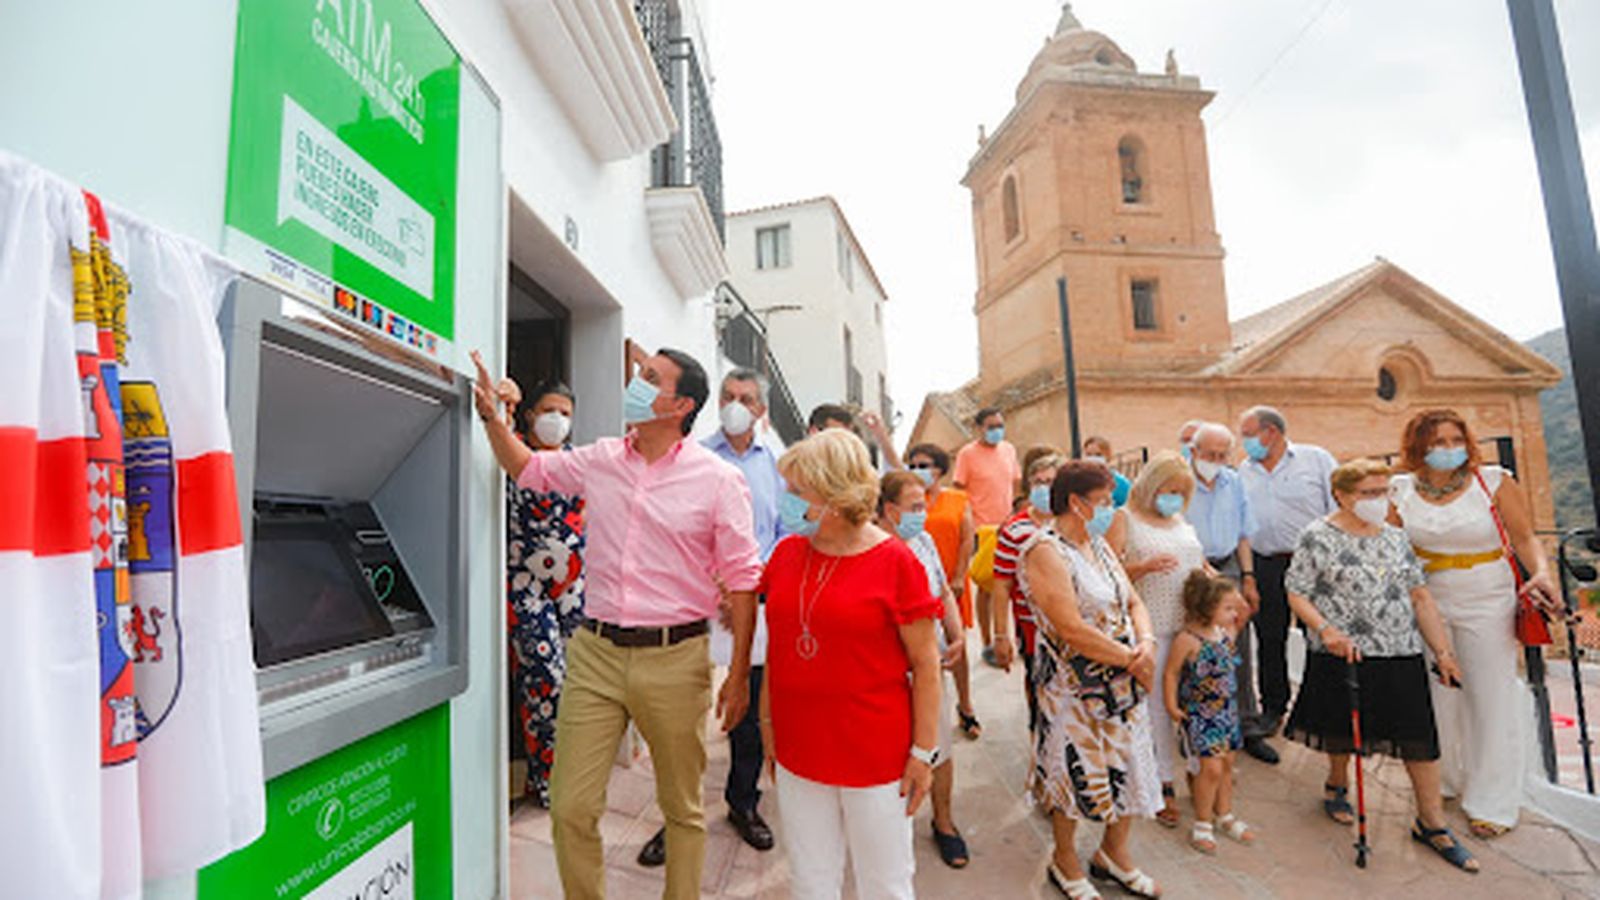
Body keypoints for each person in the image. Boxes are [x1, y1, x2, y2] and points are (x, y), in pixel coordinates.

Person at [473, 348, 763, 900]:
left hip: (676, 658)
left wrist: (740, 674)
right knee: (571, 808)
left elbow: (744, 581)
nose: (635, 381)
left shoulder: (718, 480)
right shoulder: (602, 458)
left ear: (679, 405)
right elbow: (528, 468)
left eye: (650, 378)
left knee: (682, 809)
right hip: (595, 653)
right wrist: (492, 416)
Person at [759, 429, 943, 900]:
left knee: (884, 885)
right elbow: (778, 649)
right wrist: (768, 730)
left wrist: (924, 753)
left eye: (798, 491)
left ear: (835, 494)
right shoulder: (785, 554)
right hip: (799, 750)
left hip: (876, 757)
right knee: (810, 880)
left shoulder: (896, 561)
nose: (788, 500)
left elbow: (926, 664)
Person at [1283, 459, 1477, 873]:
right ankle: (1337, 784)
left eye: (1384, 491)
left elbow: (1420, 596)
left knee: (1417, 736)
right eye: (1369, 493)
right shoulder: (1317, 536)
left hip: (1401, 649)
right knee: (1341, 729)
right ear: (1343, 495)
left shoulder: (1394, 537)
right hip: (1343, 649)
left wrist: (1442, 651)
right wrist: (1326, 630)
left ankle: (1431, 822)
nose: (1379, 500)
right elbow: (1296, 593)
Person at [1390, 409, 1561, 838]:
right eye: (1437, 442)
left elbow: (1524, 538)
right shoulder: (1400, 489)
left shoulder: (1494, 480)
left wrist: (1541, 572)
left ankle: (1492, 801)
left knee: (1489, 694)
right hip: (1427, 597)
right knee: (1438, 696)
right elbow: (1389, 549)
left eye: (1455, 440)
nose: (1449, 449)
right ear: (1418, 447)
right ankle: (1444, 780)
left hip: (1487, 594)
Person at [638, 368, 784, 866]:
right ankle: (674, 818)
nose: (734, 404)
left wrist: (747, 589)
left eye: (745, 398)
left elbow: (784, 538)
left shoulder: (778, 466)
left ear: (760, 410)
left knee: (745, 717)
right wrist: (718, 585)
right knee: (680, 719)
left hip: (755, 610)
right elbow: (677, 532)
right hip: (697, 608)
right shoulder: (691, 456)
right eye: (728, 396)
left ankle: (743, 804)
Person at [1019, 460, 1163, 900]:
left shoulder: (1098, 545)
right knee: (1075, 769)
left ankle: (1113, 854)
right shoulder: (1045, 550)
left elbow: (1132, 600)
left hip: (1123, 680)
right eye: (1102, 502)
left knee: (1130, 762)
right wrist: (1131, 659)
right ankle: (1065, 860)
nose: (1109, 510)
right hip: (1073, 686)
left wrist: (1147, 641)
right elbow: (1070, 627)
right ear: (1076, 503)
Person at [500, 379, 586, 808]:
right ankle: (545, 779)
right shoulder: (513, 449)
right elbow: (495, 423)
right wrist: (504, 402)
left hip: (575, 584)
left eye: (567, 413)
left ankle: (575, 776)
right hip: (524, 583)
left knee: (581, 682)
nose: (558, 420)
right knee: (543, 679)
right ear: (532, 414)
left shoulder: (577, 461)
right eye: (550, 410)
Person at [880, 470, 970, 869]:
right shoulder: (873, 549)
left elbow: (944, 592)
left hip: (930, 662)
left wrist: (957, 636)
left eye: (924, 506)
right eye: (915, 508)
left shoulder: (924, 540)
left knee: (938, 746)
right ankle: (887, 829)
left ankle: (944, 822)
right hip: (889, 668)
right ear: (888, 510)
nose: (922, 515)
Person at [1108, 452, 1204, 828]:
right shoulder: (1124, 518)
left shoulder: (1179, 519)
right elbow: (1110, 570)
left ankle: (1199, 770)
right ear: (1150, 485)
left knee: (1193, 701)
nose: (1175, 498)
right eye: (1169, 490)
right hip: (1153, 625)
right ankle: (1162, 781)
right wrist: (1142, 567)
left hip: (1190, 626)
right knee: (1158, 711)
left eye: (1182, 492)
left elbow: (1197, 560)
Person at [1237, 405, 1336, 734]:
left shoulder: (1316, 460)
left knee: (1319, 636)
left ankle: (1320, 709)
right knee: (1269, 638)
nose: (1245, 442)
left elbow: (1337, 507)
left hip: (1314, 564)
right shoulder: (1243, 472)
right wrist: (1249, 575)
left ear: (1272, 433)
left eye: (1249, 435)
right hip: (1266, 565)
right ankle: (1273, 707)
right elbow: (1243, 527)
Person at [1187, 422, 1277, 765]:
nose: (1216, 460)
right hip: (1191, 571)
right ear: (1194, 452)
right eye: (1210, 454)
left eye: (1223, 454)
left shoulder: (1234, 481)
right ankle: (1197, 725)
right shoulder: (1178, 483)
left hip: (1228, 568)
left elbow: (1243, 534)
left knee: (1237, 646)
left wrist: (1248, 578)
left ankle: (1246, 722)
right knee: (1195, 646)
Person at [1164, 571, 1256, 854]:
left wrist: (1235, 598)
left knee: (1227, 764)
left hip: (1227, 710)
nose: (1233, 613)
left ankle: (1224, 814)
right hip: (1203, 714)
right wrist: (1171, 705)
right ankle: (1202, 823)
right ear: (1207, 608)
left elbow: (1244, 608)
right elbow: (1172, 673)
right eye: (1226, 608)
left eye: (1232, 608)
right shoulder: (1188, 640)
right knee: (1211, 768)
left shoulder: (1226, 632)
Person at [907, 442, 983, 740]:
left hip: (950, 581)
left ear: (939, 468)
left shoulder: (958, 499)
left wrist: (960, 575)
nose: (918, 471)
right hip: (917, 581)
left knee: (957, 642)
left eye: (924, 465)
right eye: (913, 465)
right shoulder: (909, 500)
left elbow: (968, 539)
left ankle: (965, 705)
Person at [989, 451, 1068, 735]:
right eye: (1038, 482)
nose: (1044, 488)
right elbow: (1001, 585)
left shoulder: (1075, 521)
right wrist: (1001, 635)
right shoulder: (1014, 529)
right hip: (1033, 629)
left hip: (1074, 627)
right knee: (1041, 696)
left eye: (1050, 481)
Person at [953, 407, 1022, 666]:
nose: (996, 430)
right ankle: (987, 642)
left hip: (1007, 527)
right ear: (978, 427)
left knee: (1010, 585)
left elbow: (1014, 482)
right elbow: (959, 490)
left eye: (1000, 425)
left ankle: (1008, 637)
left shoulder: (1009, 450)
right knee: (986, 587)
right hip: (982, 529)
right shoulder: (967, 454)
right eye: (991, 426)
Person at [1082, 435, 1131, 508]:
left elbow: (1130, 509)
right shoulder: (1079, 482)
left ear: (1108, 456)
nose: (1093, 458)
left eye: (1098, 455)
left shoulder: (1120, 483)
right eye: (1088, 455)